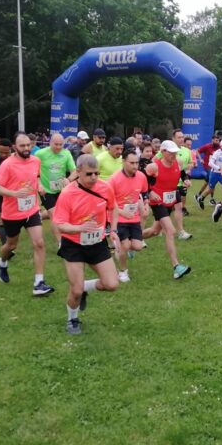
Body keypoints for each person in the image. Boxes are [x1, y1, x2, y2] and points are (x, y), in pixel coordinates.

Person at [52, 154, 119, 334]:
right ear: (78, 172)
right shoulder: (68, 194)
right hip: (73, 244)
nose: (94, 177)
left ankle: (85, 288)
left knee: (112, 284)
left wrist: (113, 230)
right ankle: (72, 319)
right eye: (89, 174)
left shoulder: (105, 188)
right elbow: (60, 225)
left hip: (97, 243)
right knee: (75, 291)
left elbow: (113, 208)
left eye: (96, 173)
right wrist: (79, 228)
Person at [0, 132, 55, 295]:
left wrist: (39, 185)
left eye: (28, 145)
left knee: (39, 243)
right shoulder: (7, 164)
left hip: (32, 209)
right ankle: (2, 263)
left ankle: (39, 283)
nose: (27, 148)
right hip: (12, 213)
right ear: (15, 147)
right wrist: (14, 193)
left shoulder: (35, 160)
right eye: (22, 146)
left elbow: (37, 176)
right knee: (11, 245)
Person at [142, 140, 191, 279]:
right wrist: (150, 192)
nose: (174, 155)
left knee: (154, 231)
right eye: (171, 152)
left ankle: (130, 240)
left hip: (169, 201)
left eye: (175, 152)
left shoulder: (178, 162)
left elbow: (182, 173)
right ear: (163, 152)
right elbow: (142, 181)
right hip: (157, 201)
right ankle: (176, 267)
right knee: (170, 230)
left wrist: (186, 179)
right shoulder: (154, 166)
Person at [108, 149, 148, 282]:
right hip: (118, 218)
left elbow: (144, 192)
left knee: (137, 246)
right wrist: (121, 211)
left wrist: (146, 204)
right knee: (125, 245)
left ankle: (119, 248)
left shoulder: (141, 176)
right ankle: (123, 271)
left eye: (137, 163)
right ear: (123, 161)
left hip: (133, 217)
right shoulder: (114, 179)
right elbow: (108, 202)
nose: (135, 166)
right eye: (132, 163)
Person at [35, 133, 77, 245]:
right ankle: (60, 243)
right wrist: (39, 184)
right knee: (54, 215)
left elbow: (75, 171)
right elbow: (33, 171)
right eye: (56, 144)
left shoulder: (66, 153)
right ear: (50, 143)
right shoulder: (40, 154)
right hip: (46, 190)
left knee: (63, 213)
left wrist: (69, 179)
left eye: (60, 144)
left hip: (61, 190)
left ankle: (38, 216)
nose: (58, 147)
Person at [196, 139, 222, 209]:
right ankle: (201, 198)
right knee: (210, 189)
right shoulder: (216, 153)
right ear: (221, 146)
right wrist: (218, 168)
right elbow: (210, 163)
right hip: (214, 174)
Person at [194, 134, 220, 202]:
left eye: (218, 140)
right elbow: (197, 151)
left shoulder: (219, 147)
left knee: (207, 182)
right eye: (216, 140)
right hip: (208, 166)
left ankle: (198, 195)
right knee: (213, 182)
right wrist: (200, 159)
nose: (217, 142)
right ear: (212, 140)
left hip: (215, 167)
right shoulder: (207, 146)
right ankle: (211, 199)